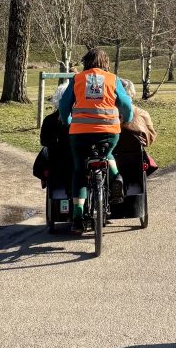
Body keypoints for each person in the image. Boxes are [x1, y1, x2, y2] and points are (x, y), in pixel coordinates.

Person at [56, 49, 134, 234]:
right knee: (107, 153)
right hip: (109, 131)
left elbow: (64, 105)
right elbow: (125, 103)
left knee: (79, 170)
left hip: (80, 133)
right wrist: (127, 118)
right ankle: (116, 178)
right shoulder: (112, 79)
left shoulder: (78, 79)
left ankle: (77, 217)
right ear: (105, 62)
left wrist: (67, 121)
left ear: (86, 62)